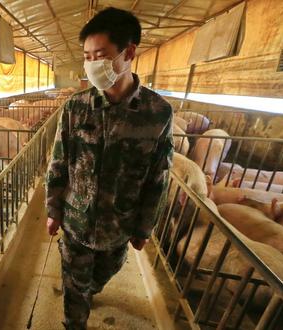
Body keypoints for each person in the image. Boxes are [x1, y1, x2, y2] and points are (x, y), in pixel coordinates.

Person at [45, 7, 174, 330]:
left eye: (100, 55)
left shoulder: (158, 113)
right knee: (75, 292)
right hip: (76, 223)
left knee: (102, 276)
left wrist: (145, 228)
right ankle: (76, 317)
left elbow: (159, 177)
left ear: (128, 52)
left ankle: (92, 288)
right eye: (87, 56)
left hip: (119, 227)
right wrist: (53, 208)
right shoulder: (75, 107)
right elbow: (59, 161)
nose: (91, 65)